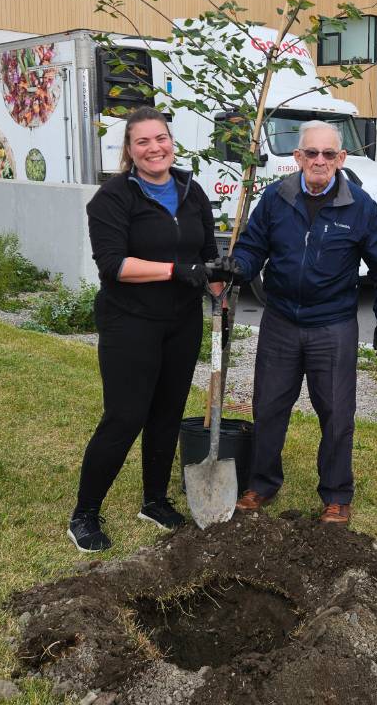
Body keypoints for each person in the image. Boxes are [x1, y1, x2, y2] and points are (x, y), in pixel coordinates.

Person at [208, 120, 377, 526]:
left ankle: (335, 495)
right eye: (310, 153)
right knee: (269, 406)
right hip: (280, 322)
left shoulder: (360, 206)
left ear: (341, 159)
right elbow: (252, 248)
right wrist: (236, 267)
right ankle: (261, 484)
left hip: (333, 326)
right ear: (297, 158)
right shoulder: (276, 198)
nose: (319, 161)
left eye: (328, 154)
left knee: (336, 413)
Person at [69, 106, 225, 552]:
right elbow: (114, 265)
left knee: (167, 414)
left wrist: (220, 288)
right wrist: (178, 270)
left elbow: (207, 254)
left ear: (171, 141)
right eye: (143, 142)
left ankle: (154, 500)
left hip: (182, 322)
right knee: (125, 417)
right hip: (130, 322)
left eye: (161, 139)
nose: (155, 148)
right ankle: (84, 513)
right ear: (130, 150)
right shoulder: (113, 198)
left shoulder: (191, 190)